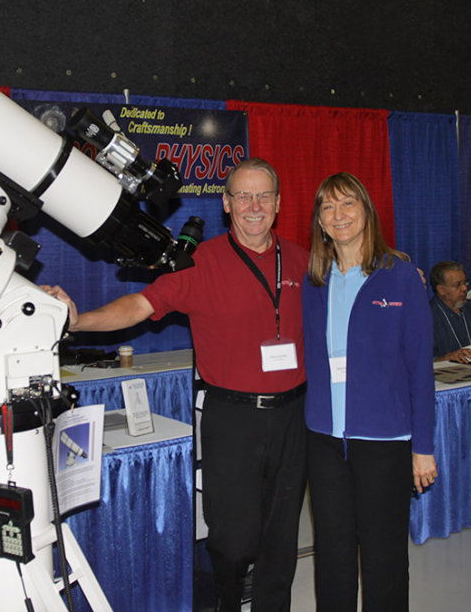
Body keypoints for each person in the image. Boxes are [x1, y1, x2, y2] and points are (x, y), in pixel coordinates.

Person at [45, 158, 309, 612]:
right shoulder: (199, 263)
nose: (253, 206)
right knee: (232, 538)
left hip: (294, 416)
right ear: (226, 204)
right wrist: (78, 322)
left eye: (263, 196)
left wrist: (393, 270)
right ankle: (228, 600)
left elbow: (352, 283)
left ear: (279, 203)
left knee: (282, 535)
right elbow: (140, 305)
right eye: (242, 196)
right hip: (234, 417)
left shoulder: (304, 259)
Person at [301, 172, 437, 612]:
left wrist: (424, 447)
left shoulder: (399, 277)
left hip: (384, 442)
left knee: (384, 560)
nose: (338, 215)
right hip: (325, 441)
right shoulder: (314, 282)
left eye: (348, 204)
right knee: (333, 557)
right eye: (328, 207)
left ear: (366, 212)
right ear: (320, 221)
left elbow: (420, 369)